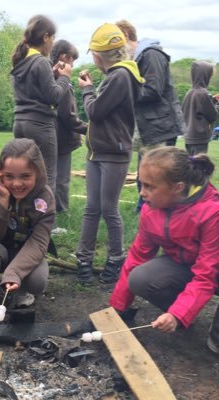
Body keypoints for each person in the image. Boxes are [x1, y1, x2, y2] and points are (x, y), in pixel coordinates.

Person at [109, 147, 219, 354]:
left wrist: (177, 314)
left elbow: (206, 274)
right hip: (186, 264)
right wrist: (118, 307)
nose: (142, 192)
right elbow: (136, 258)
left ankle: (186, 314)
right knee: (139, 277)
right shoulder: (151, 210)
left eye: (149, 186)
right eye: (141, 184)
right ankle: (186, 314)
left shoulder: (212, 213)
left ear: (177, 187)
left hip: (213, 269)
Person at [75, 23, 144, 285]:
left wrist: (87, 89)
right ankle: (84, 258)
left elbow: (95, 111)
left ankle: (116, 258)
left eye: (93, 53)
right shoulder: (116, 75)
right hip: (98, 152)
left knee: (108, 209)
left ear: (100, 55)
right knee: (92, 208)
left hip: (113, 153)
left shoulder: (120, 77)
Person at [0, 138, 55, 319]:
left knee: (38, 281)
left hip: (27, 252)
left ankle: (21, 288)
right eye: (9, 176)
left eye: (25, 176)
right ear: (1, 174)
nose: (17, 184)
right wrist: (2, 201)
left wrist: (14, 273)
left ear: (37, 173)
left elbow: (39, 243)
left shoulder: (45, 197)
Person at [116, 20, 186, 212]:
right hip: (149, 127)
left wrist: (124, 92)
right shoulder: (139, 58)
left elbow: (153, 90)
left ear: (126, 37)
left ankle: (159, 211)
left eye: (117, 43)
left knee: (159, 174)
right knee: (145, 173)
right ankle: (146, 209)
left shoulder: (152, 55)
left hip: (160, 127)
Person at [11, 14, 72, 194]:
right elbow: (53, 96)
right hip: (40, 125)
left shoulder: (21, 61)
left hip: (20, 123)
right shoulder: (41, 61)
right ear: (45, 37)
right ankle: (46, 221)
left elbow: (35, 89)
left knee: (25, 175)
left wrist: (52, 76)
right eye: (52, 38)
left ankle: (25, 217)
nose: (53, 43)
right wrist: (65, 78)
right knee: (47, 177)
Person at [50, 39, 87, 213]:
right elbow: (68, 115)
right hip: (61, 137)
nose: (73, 66)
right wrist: (89, 128)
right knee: (61, 178)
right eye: (73, 61)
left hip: (50, 134)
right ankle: (60, 211)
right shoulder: (62, 79)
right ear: (64, 57)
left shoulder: (48, 74)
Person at [182, 60, 219, 155]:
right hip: (199, 137)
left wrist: (213, 100)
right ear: (205, 75)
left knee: (192, 164)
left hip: (189, 136)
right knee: (199, 166)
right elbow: (213, 116)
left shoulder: (190, 92)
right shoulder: (203, 93)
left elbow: (195, 109)